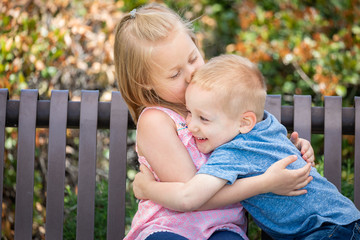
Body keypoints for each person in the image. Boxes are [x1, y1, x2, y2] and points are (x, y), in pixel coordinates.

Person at [114, 3, 315, 240]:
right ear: (144, 81)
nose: (190, 74)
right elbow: (194, 197)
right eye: (175, 74)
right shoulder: (157, 121)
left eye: (192, 58)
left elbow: (253, 142)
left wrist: (289, 151)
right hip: (170, 227)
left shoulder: (219, 102)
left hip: (225, 228)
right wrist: (266, 183)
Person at [133, 54, 360, 240]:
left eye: (204, 119)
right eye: (189, 113)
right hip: (344, 220)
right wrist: (297, 147)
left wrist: (146, 188)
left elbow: (188, 198)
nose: (191, 126)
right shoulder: (267, 124)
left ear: (244, 122)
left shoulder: (233, 151)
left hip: (325, 231)